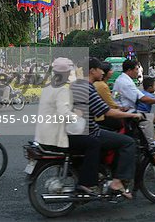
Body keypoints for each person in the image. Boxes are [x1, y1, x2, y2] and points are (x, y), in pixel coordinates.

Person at [72, 58, 143, 199]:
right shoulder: (88, 87)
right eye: (100, 69)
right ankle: (117, 182)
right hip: (87, 131)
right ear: (92, 71)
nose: (103, 71)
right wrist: (129, 115)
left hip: (75, 129)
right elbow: (107, 111)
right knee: (128, 142)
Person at [35, 57, 102, 194]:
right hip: (56, 136)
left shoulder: (48, 87)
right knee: (93, 143)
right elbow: (62, 112)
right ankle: (87, 183)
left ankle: (77, 170)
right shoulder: (62, 89)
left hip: (43, 134)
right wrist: (75, 115)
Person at [113, 59, 155, 145]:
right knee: (146, 120)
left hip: (125, 110)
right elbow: (142, 98)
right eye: (136, 69)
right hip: (127, 113)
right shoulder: (126, 82)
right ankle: (151, 145)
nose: (138, 72)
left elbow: (137, 95)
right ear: (129, 70)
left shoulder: (122, 79)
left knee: (153, 117)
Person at [94, 62, 125, 130]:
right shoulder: (103, 86)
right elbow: (111, 104)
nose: (112, 72)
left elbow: (112, 96)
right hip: (102, 116)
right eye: (110, 70)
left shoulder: (104, 84)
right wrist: (121, 108)